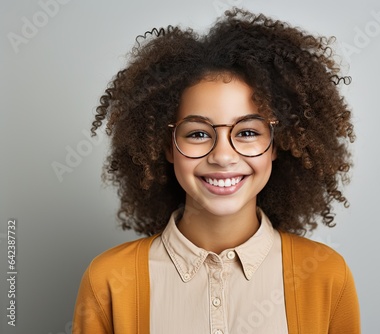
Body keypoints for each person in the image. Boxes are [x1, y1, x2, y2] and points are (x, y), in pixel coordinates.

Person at [72, 8, 360, 334]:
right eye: (197, 133)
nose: (223, 156)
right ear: (166, 146)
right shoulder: (109, 281)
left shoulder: (325, 276)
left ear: (278, 144)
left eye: (248, 132)